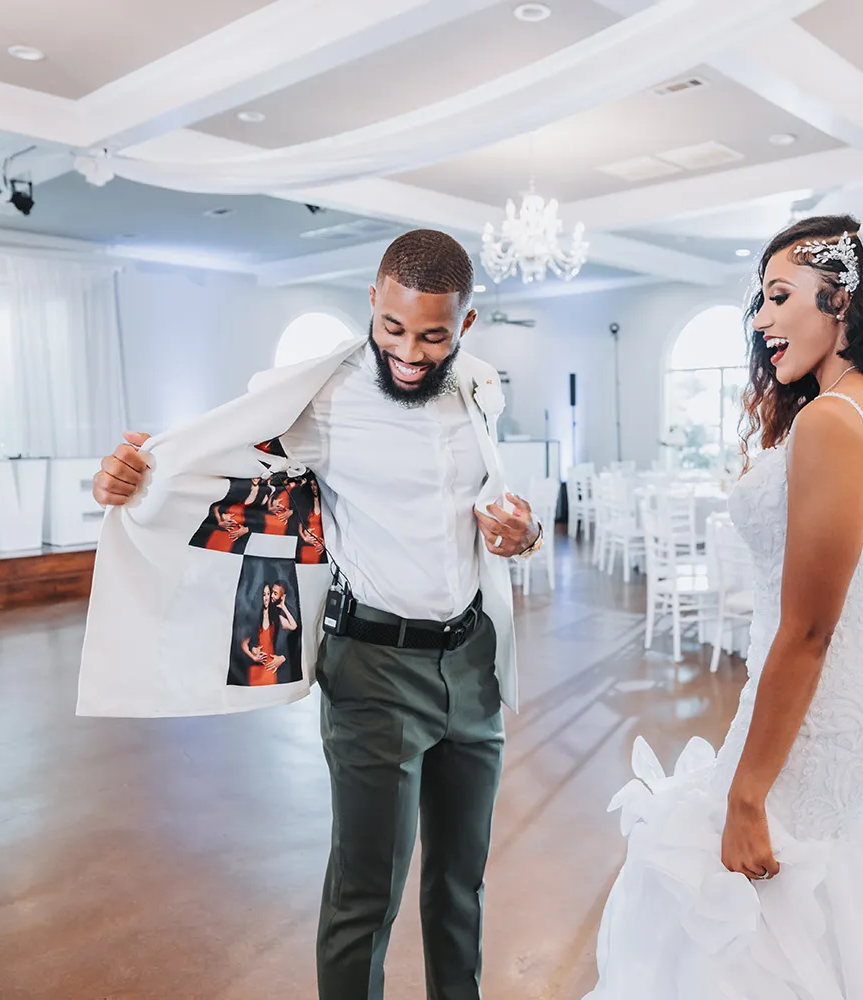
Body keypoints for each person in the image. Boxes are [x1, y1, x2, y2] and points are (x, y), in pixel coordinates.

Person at [582, 216, 863, 999]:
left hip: (819, 703)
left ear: (841, 301)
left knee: (754, 911)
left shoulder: (833, 421)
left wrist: (745, 794)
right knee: (840, 895)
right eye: (758, 301)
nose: (761, 319)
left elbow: (807, 629)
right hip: (858, 694)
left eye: (778, 296)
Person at [88, 230, 545, 1000]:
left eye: (432, 336)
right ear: (372, 301)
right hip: (373, 670)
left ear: (464, 326)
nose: (407, 352)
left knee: (461, 887)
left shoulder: (480, 385)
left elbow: (496, 503)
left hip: (471, 663)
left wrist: (524, 534)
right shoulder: (321, 397)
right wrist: (131, 474)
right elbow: (201, 455)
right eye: (392, 328)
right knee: (365, 897)